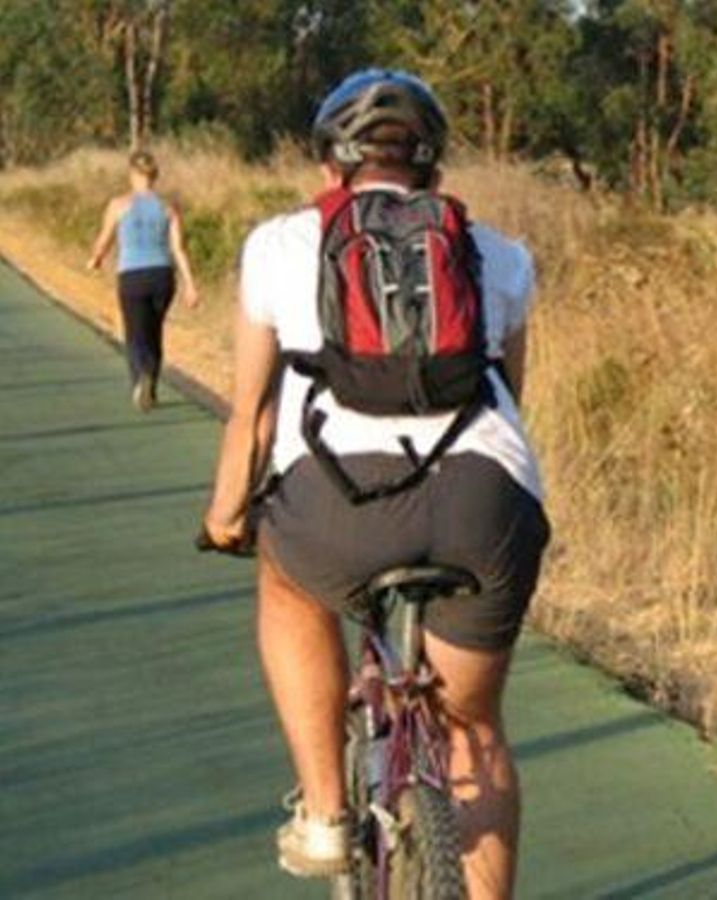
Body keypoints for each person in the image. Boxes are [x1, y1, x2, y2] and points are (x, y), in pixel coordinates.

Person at [200, 69, 550, 899]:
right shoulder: (499, 255)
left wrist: (224, 515)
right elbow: (511, 397)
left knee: (288, 586)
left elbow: (251, 411)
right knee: (471, 728)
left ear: (333, 168)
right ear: (433, 169)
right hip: (483, 503)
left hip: (334, 505)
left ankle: (325, 813)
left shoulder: (279, 245)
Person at [87, 150, 200, 411]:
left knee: (135, 333)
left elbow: (105, 238)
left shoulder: (119, 205)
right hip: (162, 275)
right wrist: (190, 285)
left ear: (132, 175)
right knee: (154, 331)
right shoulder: (168, 208)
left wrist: (96, 259)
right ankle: (152, 385)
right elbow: (178, 249)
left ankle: (141, 377)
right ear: (154, 177)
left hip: (132, 275)